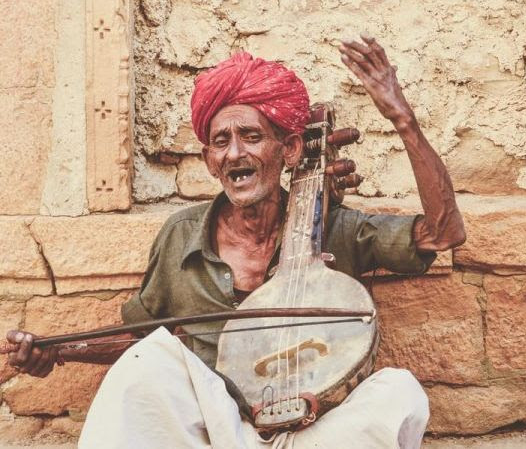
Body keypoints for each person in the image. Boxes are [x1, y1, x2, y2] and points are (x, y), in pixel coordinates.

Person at [5, 35, 465, 448]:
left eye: (251, 136)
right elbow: (138, 336)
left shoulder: (336, 226)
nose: (235, 153)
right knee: (145, 365)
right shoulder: (183, 234)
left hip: (318, 432)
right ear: (209, 161)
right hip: (217, 425)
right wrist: (60, 350)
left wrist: (400, 117)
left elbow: (444, 233)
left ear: (289, 150)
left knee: (398, 392)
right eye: (221, 141)